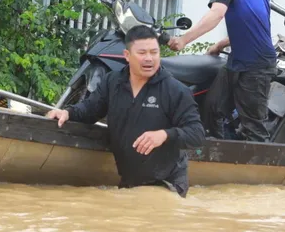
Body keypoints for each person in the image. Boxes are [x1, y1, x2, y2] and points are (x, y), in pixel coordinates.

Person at [45, 25, 205, 197]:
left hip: (167, 184)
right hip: (130, 183)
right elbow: (90, 109)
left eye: (154, 52)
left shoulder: (176, 90)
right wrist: (67, 113)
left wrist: (164, 135)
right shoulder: (112, 82)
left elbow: (196, 134)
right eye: (142, 53)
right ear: (127, 55)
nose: (149, 59)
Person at [167, 0, 277, 142]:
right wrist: (220, 44)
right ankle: (219, 154)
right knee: (213, 108)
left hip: (255, 65)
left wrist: (183, 40)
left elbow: (217, 13)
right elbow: (254, 22)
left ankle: (257, 171)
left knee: (253, 127)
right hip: (242, 59)